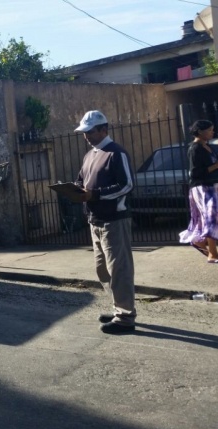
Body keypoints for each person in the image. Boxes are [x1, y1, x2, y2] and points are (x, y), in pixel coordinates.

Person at [72, 110, 136, 334]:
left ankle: (126, 317)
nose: (86, 136)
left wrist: (95, 194)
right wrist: (75, 189)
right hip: (95, 220)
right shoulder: (90, 155)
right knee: (102, 270)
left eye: (90, 132)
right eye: (84, 132)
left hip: (114, 220)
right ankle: (118, 307)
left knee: (119, 269)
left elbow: (127, 185)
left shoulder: (116, 153)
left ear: (103, 130)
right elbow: (82, 180)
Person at [179, 120, 218, 262]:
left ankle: (200, 242)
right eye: (209, 130)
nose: (212, 132)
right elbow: (195, 173)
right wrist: (215, 166)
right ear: (200, 132)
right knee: (210, 218)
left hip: (212, 186)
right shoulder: (195, 149)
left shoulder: (208, 146)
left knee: (211, 218)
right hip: (202, 188)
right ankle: (213, 254)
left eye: (212, 129)